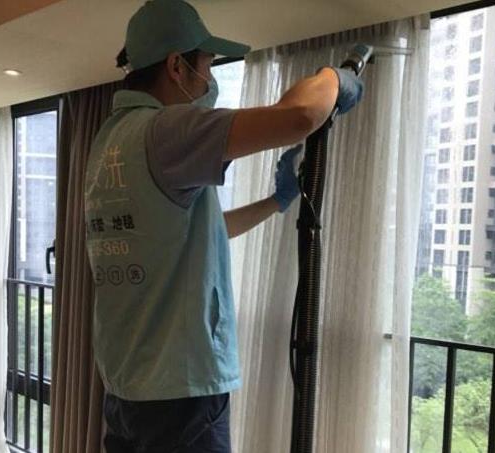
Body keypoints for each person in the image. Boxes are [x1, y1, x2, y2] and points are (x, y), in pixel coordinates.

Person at [84, 0, 364, 451]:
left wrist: (276, 201)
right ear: (177, 66)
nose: (209, 78)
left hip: (128, 388)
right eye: (207, 64)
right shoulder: (165, 131)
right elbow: (300, 115)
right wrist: (335, 77)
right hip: (182, 392)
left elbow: (195, 233)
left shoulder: (110, 141)